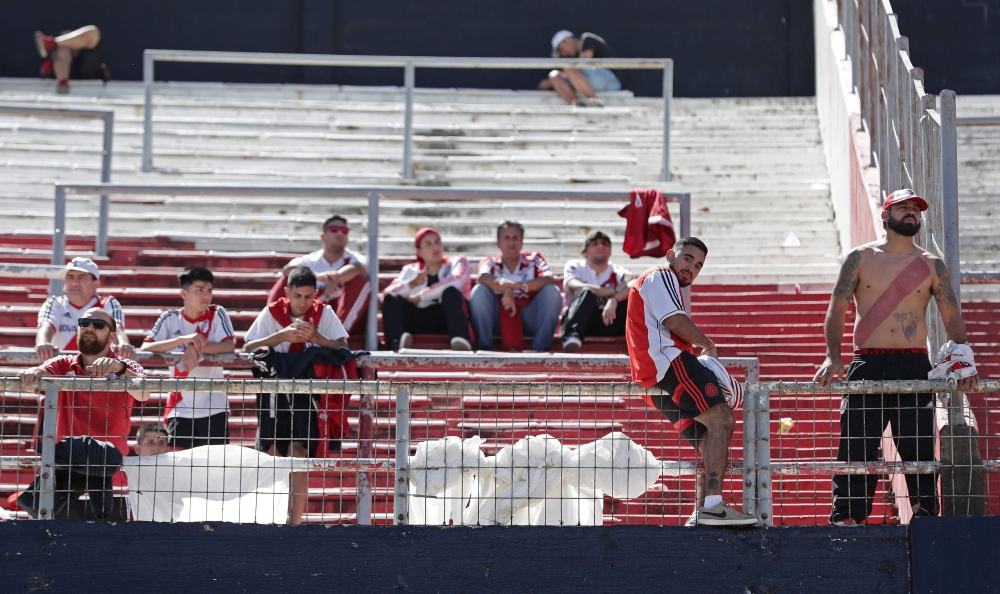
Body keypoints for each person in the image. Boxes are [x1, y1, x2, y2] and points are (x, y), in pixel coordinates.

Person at [815, 189, 980, 526]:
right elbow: (837, 310)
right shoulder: (859, 258)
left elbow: (951, 315)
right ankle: (848, 515)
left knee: (918, 443)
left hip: (914, 362)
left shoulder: (931, 264)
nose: (911, 213)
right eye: (902, 208)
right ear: (885, 216)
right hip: (868, 363)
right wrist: (833, 356)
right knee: (857, 442)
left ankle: (924, 513)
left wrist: (963, 358)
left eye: (915, 210)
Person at [626, 237, 757, 526]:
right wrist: (708, 345)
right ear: (671, 255)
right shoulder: (661, 275)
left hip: (653, 382)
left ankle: (703, 511)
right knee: (722, 420)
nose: (691, 268)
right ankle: (712, 507)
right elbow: (675, 321)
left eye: (698, 265)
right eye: (687, 259)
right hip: (669, 365)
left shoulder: (657, 281)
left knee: (708, 438)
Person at [20, 308, 149, 520]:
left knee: (115, 548)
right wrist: (32, 373)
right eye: (84, 322)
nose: (89, 327)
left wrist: (119, 369)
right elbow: (38, 373)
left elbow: (143, 393)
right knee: (55, 545)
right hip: (66, 471)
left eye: (98, 324)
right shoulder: (63, 364)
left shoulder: (127, 366)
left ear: (111, 335)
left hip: (111, 472)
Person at [245, 266, 349, 525]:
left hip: (307, 392)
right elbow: (247, 347)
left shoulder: (323, 312)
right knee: (270, 450)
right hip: (273, 388)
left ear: (315, 294)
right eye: (297, 296)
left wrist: (315, 337)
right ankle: (269, 517)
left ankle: (294, 522)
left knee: (299, 452)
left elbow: (342, 346)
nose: (302, 302)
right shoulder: (271, 312)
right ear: (287, 293)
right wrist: (281, 335)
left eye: (307, 296)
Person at [140, 267, 236, 449]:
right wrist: (184, 340)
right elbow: (146, 348)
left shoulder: (217, 313)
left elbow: (229, 346)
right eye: (199, 290)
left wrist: (195, 347)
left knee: (216, 468)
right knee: (179, 469)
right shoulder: (169, 318)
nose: (206, 296)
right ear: (183, 293)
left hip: (214, 404)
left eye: (209, 290)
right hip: (179, 405)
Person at [267, 215, 370, 337]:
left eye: (344, 230)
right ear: (323, 236)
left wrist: (335, 278)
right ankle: (276, 331)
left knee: (360, 282)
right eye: (334, 229)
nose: (340, 233)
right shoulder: (310, 260)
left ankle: (339, 337)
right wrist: (317, 277)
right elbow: (287, 270)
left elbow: (360, 268)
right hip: (308, 310)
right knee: (286, 280)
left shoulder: (355, 258)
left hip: (340, 313)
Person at [469, 221, 562, 352]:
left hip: (529, 317)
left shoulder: (534, 259)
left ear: (522, 243)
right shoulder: (490, 261)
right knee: (480, 290)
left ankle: (541, 349)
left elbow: (549, 279)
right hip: (498, 319)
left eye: (515, 238)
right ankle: (485, 347)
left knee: (552, 291)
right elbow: (483, 277)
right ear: (498, 243)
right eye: (506, 238)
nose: (511, 243)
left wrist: (520, 286)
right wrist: (506, 289)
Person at [381, 227, 473, 351]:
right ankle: (397, 342)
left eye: (437, 242)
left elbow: (457, 280)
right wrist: (411, 284)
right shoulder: (410, 270)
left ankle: (461, 339)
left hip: (447, 319)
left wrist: (421, 296)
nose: (435, 247)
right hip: (417, 320)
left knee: (450, 292)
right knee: (392, 298)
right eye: (428, 244)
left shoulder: (458, 262)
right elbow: (387, 294)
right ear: (419, 251)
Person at [36, 257, 134, 362]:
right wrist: (43, 343)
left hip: (100, 371)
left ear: (95, 284)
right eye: (70, 277)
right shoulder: (54, 302)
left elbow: (117, 328)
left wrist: (123, 343)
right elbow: (46, 326)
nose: (74, 283)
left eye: (81, 278)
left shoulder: (107, 303)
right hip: (62, 371)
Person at [561, 230, 634, 352]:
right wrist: (615, 290)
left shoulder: (618, 270)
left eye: (605, 244)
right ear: (585, 251)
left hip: (608, 320)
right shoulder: (575, 265)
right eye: (595, 244)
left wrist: (614, 299)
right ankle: (571, 336)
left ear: (610, 251)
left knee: (632, 296)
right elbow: (575, 286)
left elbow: (633, 284)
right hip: (580, 320)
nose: (600, 246)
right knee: (586, 292)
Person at [538, 30, 621, 106]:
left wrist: (550, 82)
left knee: (569, 67)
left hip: (611, 81)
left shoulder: (587, 39)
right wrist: (551, 81)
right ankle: (577, 104)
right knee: (554, 76)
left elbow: (583, 63)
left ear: (567, 39)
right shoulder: (573, 58)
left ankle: (594, 101)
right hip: (590, 83)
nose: (563, 53)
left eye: (561, 49)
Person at [34, 26, 109, 94]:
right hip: (63, 80)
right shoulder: (60, 53)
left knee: (93, 31)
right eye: (64, 39)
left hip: (91, 80)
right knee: (62, 50)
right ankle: (62, 83)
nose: (68, 43)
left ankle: (52, 43)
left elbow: (93, 35)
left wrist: (55, 43)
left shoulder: (89, 54)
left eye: (70, 39)